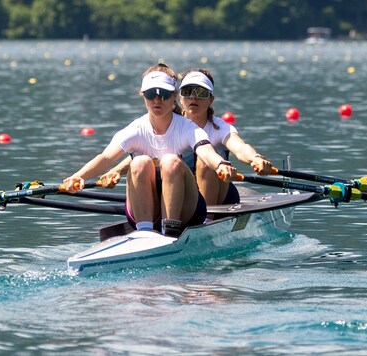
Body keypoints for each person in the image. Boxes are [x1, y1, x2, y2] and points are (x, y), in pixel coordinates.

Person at [62, 64, 236, 237]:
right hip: (144, 212)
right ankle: (145, 233)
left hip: (187, 211)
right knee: (139, 162)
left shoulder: (187, 127)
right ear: (143, 96)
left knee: (170, 161)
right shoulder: (136, 129)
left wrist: (220, 164)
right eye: (151, 94)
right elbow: (106, 158)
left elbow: (206, 151)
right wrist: (78, 176)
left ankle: (170, 230)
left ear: (174, 96)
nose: (157, 100)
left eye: (164, 94)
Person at [178, 68, 274, 208]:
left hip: (220, 196)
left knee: (207, 160)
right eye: (187, 92)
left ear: (211, 99)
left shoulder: (220, 128)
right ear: (180, 98)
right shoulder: (171, 126)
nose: (193, 97)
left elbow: (240, 148)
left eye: (201, 93)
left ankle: (207, 220)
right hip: (183, 194)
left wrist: (255, 158)